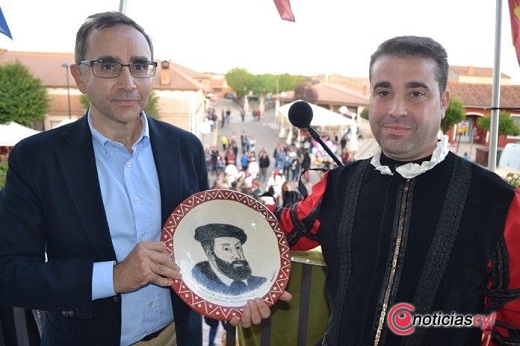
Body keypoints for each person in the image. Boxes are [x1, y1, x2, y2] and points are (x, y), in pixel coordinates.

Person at [0, 11, 285, 345]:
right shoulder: (37, 159)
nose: (128, 83)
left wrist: (231, 300)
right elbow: (10, 273)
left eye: (138, 65)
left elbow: (199, 246)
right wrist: (114, 277)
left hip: (177, 335)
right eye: (108, 66)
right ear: (79, 76)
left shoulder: (186, 148)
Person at [271, 36, 520, 345]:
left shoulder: (496, 202)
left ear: (443, 101)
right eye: (384, 91)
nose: (397, 109)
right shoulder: (339, 186)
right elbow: (272, 232)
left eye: (416, 93)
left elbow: (513, 320)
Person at [192, 223, 267, 295]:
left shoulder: (262, 284)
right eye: (227, 249)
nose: (237, 256)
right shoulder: (198, 283)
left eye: (238, 248)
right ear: (211, 254)